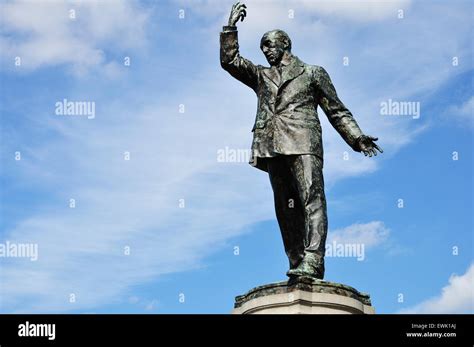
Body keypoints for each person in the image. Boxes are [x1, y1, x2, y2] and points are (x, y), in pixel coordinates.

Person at [220, 2, 383, 279]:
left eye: (270, 46)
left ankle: (314, 259)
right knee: (285, 207)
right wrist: (230, 28)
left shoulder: (312, 73)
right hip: (271, 146)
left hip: (304, 142)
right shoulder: (261, 75)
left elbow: (336, 110)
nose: (267, 51)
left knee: (312, 199)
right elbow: (230, 62)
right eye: (263, 48)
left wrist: (356, 138)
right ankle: (297, 260)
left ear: (285, 45)